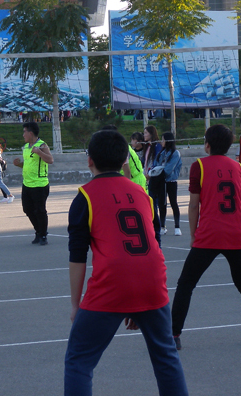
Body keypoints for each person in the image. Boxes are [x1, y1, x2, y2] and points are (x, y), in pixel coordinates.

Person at [64, 129, 187, 396]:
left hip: (114, 283)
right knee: (166, 357)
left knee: (79, 361)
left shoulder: (85, 196)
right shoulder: (142, 193)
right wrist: (137, 303)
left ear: (89, 160)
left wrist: (75, 304)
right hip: (152, 281)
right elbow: (155, 242)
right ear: (124, 161)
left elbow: (77, 256)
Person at [171, 124, 241, 349]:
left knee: (186, 284)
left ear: (207, 145)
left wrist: (193, 234)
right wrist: (240, 226)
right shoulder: (239, 168)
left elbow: (194, 206)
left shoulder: (199, 166)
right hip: (235, 233)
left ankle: (173, 334)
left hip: (209, 233)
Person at [14, 121, 54, 245]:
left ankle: (43, 235)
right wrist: (19, 164)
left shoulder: (42, 145)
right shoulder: (26, 147)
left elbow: (50, 160)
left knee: (40, 211)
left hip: (40, 184)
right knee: (27, 209)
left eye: (24, 132)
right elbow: (28, 164)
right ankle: (39, 231)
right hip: (27, 184)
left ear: (30, 133)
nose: (23, 135)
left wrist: (39, 152)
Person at [151, 132, 182, 236]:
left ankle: (177, 227)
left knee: (173, 203)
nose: (161, 142)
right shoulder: (161, 153)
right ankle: (162, 226)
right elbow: (156, 165)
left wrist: (159, 172)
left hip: (171, 181)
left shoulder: (175, 153)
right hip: (161, 181)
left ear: (168, 141)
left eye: (163, 139)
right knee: (162, 204)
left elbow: (169, 169)